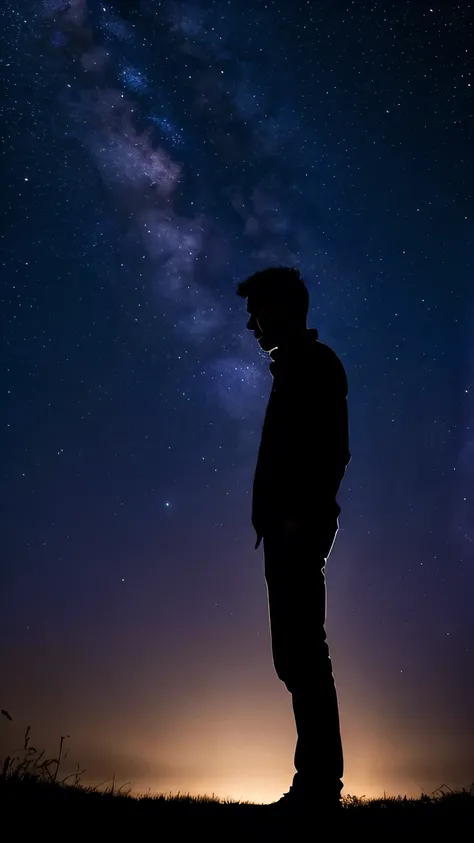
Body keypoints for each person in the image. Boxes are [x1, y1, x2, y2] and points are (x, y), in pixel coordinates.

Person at [237, 266, 351, 814]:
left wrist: (298, 518)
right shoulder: (296, 369)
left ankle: (318, 786)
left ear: (283, 309)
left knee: (303, 654)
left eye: (257, 310)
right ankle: (315, 784)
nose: (252, 324)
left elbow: (331, 449)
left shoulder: (314, 366)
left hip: (296, 529)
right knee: (296, 654)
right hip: (286, 529)